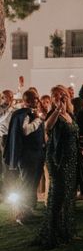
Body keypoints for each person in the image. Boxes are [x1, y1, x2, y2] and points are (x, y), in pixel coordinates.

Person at [35, 86, 79, 248]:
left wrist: (82, 140)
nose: (60, 97)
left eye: (62, 95)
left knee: (67, 197)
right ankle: (52, 236)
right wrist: (58, 110)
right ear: (53, 99)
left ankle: (66, 232)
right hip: (57, 160)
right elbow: (47, 127)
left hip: (70, 160)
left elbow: (70, 134)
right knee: (57, 197)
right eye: (55, 96)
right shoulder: (53, 115)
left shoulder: (70, 115)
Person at [3, 89, 46, 221]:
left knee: (32, 182)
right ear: (27, 100)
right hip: (27, 155)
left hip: (37, 153)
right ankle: (22, 213)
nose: (37, 100)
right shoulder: (22, 113)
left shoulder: (29, 113)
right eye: (34, 98)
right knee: (27, 182)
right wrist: (39, 119)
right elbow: (26, 130)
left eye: (37, 98)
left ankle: (28, 210)